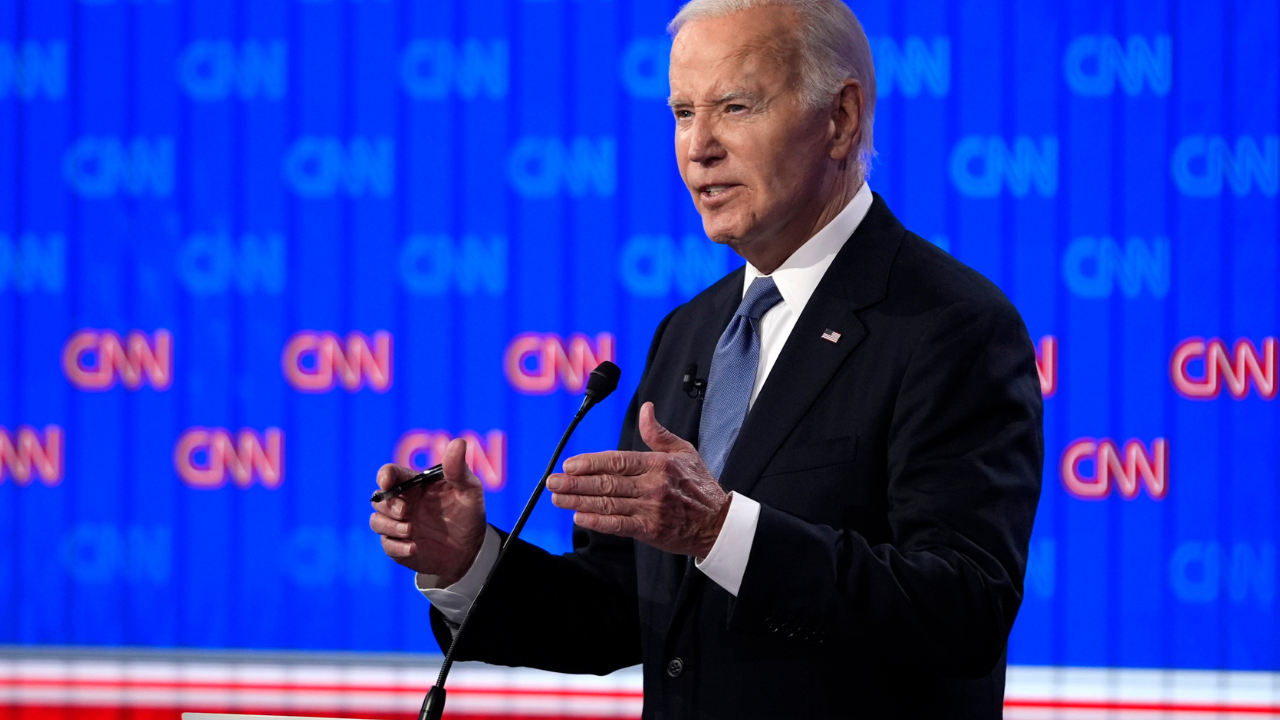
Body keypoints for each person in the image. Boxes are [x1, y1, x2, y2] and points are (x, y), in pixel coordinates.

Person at [370, 0, 1043, 717]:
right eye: (683, 112)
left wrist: (721, 532)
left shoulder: (949, 325)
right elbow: (624, 604)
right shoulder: (691, 331)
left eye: (735, 106)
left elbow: (963, 610)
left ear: (841, 119)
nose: (699, 146)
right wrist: (468, 563)